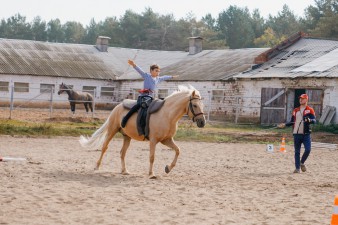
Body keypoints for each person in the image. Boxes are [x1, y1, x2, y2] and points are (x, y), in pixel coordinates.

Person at [121, 60, 179, 128]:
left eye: (158, 71)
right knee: (139, 105)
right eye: (156, 71)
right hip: (143, 96)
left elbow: (165, 77)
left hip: (150, 97)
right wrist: (133, 64)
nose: (158, 72)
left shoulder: (158, 79)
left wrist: (172, 77)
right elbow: (140, 70)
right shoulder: (147, 76)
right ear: (151, 71)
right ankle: (125, 118)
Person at [278, 94, 316, 173]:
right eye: (300, 98)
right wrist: (284, 125)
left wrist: (309, 120)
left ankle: (302, 162)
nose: (300, 100)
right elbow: (292, 121)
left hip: (306, 134)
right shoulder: (295, 110)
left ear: (306, 100)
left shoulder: (310, 110)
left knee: (308, 150)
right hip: (296, 134)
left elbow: (314, 121)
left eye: (302, 98)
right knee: (297, 152)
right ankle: (297, 168)